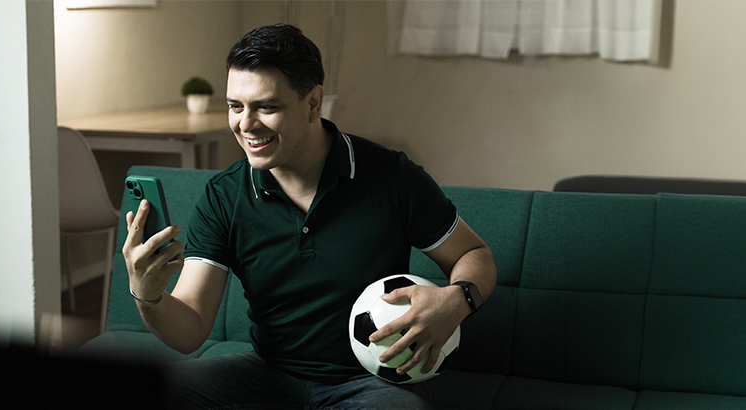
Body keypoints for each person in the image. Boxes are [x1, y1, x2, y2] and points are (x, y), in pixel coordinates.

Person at [122, 23, 497, 409]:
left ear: (314, 103)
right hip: (264, 376)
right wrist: (147, 295)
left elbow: (475, 255)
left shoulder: (392, 177)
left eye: (266, 107)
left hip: (368, 383)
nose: (245, 125)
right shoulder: (225, 195)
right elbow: (190, 330)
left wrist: (455, 300)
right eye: (236, 106)